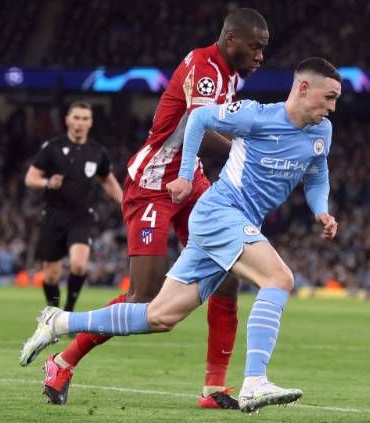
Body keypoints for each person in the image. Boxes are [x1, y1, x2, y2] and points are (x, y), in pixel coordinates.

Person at [20, 57, 341, 413]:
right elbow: (200, 118)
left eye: (336, 99)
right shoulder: (256, 116)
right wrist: (186, 174)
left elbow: (317, 172)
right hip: (221, 213)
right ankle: (254, 382)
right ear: (303, 88)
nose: (332, 107)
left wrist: (320, 209)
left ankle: (59, 321)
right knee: (278, 279)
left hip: (229, 223)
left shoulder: (321, 132)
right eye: (328, 97)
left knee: (159, 315)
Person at [34, 8, 269, 408]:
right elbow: (203, 130)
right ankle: (62, 359)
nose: (261, 56)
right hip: (153, 185)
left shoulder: (230, 73)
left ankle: (214, 387)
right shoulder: (204, 67)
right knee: (145, 297)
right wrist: (250, 152)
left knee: (229, 273)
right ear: (232, 40)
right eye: (256, 47)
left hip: (189, 180)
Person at [25, 101, 123, 313]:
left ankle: (68, 310)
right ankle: (52, 312)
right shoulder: (52, 148)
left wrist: (124, 201)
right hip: (54, 215)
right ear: (67, 120)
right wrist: (47, 183)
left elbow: (107, 179)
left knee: (79, 265)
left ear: (91, 122)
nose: (80, 123)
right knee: (51, 275)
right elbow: (30, 178)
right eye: (76, 118)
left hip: (81, 216)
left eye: (84, 118)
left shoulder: (97, 152)